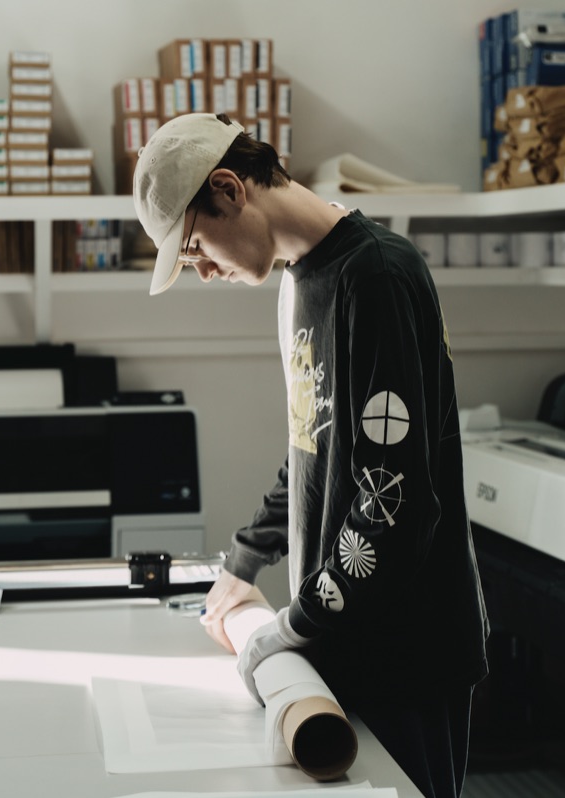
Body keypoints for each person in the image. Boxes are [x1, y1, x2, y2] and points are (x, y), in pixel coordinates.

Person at [133, 112, 489, 798]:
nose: (202, 271)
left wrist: (293, 626)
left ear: (230, 189)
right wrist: (245, 559)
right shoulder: (298, 281)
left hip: (407, 652)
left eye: (196, 247)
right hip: (341, 637)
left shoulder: (377, 275)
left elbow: (394, 502)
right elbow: (311, 446)